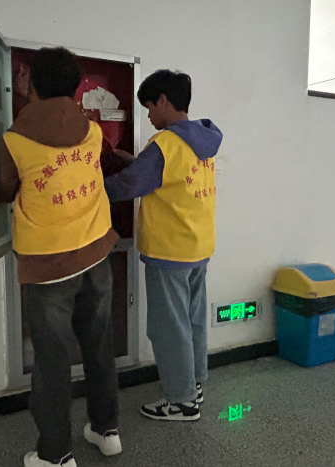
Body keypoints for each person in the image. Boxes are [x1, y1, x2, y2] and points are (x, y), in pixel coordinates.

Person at [0, 47, 122, 467]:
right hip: (97, 255)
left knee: (52, 363)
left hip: (48, 265)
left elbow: (2, 190)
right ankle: (106, 430)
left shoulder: (14, 140)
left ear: (31, 84)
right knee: (99, 347)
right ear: (76, 87)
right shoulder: (93, 132)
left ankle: (55, 454)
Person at [105, 70, 223, 421]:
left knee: (168, 328)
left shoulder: (165, 144)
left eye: (149, 108)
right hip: (198, 244)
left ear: (163, 101)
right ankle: (193, 383)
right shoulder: (202, 139)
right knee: (192, 320)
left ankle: (181, 402)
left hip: (169, 249)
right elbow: (170, 177)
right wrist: (139, 164)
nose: (148, 116)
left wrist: (89, 187)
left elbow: (129, 186)